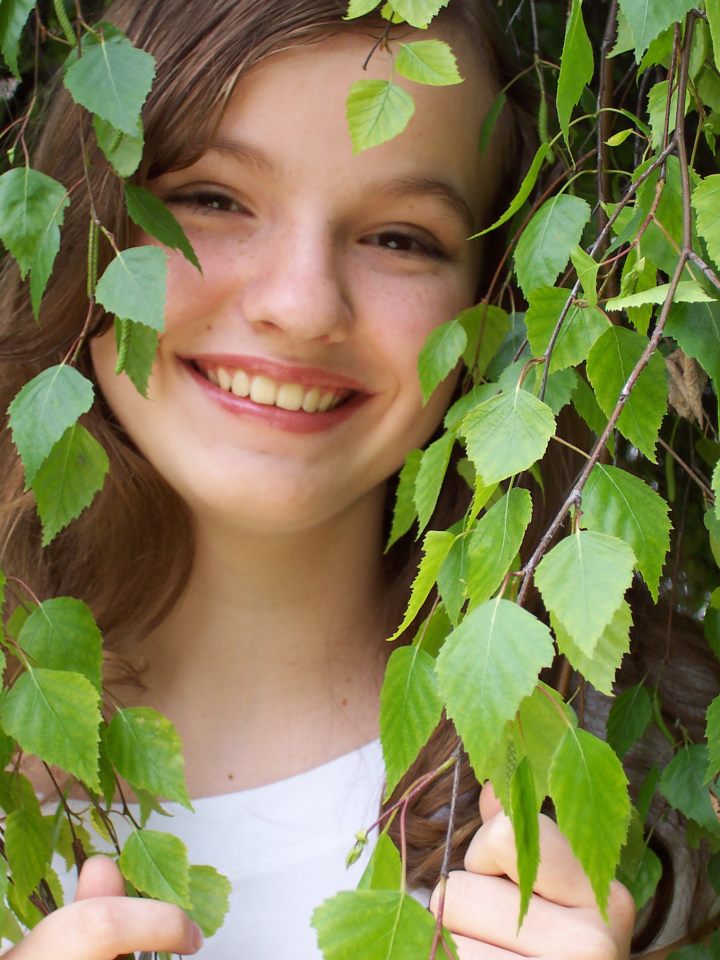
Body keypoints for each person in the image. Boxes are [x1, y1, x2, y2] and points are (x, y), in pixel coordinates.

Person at [0, 0, 700, 957]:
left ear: (493, 308)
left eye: (401, 238)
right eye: (212, 198)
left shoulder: (645, 780)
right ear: (83, 221)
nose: (301, 306)